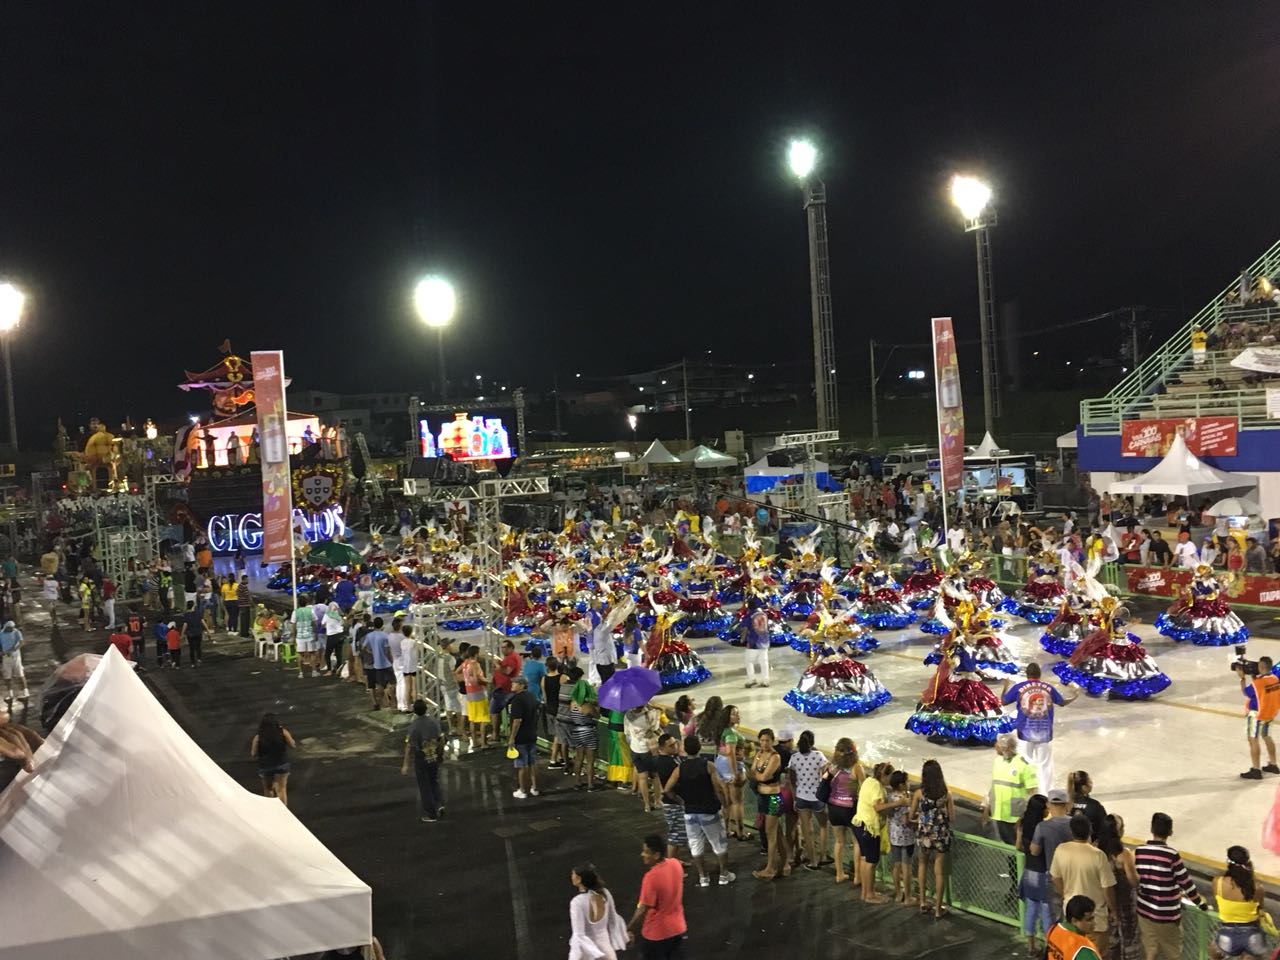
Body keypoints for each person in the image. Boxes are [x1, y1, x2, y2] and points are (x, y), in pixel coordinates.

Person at [1133, 812, 1207, 960]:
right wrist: (1199, 903)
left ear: (1151, 829)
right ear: (1170, 832)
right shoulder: (1171, 855)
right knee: (1173, 953)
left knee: (1150, 949)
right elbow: (1186, 883)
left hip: (1144, 910)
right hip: (1166, 914)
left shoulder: (1139, 851)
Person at [663, 733, 735, 887]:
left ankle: (703, 877)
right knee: (719, 843)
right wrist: (725, 804)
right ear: (699, 748)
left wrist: (680, 800)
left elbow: (667, 789)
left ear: (685, 749)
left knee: (695, 845)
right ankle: (723, 875)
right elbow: (719, 788)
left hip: (690, 812)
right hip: (709, 810)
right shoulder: (707, 765)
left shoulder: (679, 768)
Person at [1001, 661, 1078, 793]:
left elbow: (1003, 701)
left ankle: (1025, 791)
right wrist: (1075, 695)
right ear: (1040, 674)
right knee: (1045, 765)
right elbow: (1062, 702)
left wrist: (1005, 686)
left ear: (1027, 675)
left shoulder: (1019, 687)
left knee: (1025, 762)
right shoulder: (1048, 687)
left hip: (1024, 732)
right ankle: (1045, 793)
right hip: (1044, 732)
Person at [1051, 814, 1117, 940]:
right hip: (1095, 918)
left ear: (1071, 831)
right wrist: (1113, 910)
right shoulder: (1098, 855)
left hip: (1072, 915)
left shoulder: (1061, 849)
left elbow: (1055, 878)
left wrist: (1065, 894)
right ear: (1089, 831)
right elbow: (1107, 888)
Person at [627, 835, 687, 959]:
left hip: (657, 933)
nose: (642, 854)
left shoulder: (651, 877)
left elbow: (643, 908)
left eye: (646, 852)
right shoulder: (675, 864)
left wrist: (629, 928)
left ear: (656, 855)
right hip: (678, 928)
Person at [911, 758, 954, 916]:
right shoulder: (946, 794)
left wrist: (921, 818)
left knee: (922, 865)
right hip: (941, 835)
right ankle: (938, 908)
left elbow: (911, 815)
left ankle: (922, 902)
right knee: (939, 872)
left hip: (924, 835)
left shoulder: (918, 794)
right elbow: (952, 817)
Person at [1208, 846, 1266, 960]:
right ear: (1248, 863)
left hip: (1227, 934)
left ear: (1228, 862)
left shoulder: (1218, 883)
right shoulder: (1257, 887)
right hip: (1252, 935)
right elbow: (1261, 907)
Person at [981, 732, 1039, 845]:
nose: (995, 746)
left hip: (1015, 818)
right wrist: (986, 807)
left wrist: (1024, 818)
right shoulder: (998, 761)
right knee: (1006, 847)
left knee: (1017, 847)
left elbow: (1032, 794)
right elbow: (993, 785)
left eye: (997, 744)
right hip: (999, 813)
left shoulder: (1025, 765)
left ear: (1005, 748)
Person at [749, 728, 790, 881]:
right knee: (777, 833)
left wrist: (758, 775)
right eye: (762, 740)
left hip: (773, 798)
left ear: (772, 741)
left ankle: (770, 868)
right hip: (762, 797)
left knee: (770, 834)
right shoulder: (759, 754)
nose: (764, 743)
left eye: (767, 740)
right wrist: (758, 775)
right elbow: (752, 773)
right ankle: (785, 863)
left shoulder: (775, 757)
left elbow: (764, 776)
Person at [1097, 815, 1140, 960]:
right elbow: (1134, 881)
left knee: (1109, 942)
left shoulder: (1097, 850)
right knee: (1128, 939)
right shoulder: (1124, 854)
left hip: (1103, 903)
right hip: (1125, 903)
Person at [823, 736, 864, 885]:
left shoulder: (831, 767)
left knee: (839, 842)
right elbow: (864, 789)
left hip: (833, 807)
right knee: (857, 842)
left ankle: (839, 874)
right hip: (850, 808)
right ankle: (857, 877)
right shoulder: (856, 768)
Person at [1031, 788, 1076, 918]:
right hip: (1074, 875)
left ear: (1048, 805)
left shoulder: (1042, 826)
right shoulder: (1076, 823)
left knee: (1056, 915)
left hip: (1054, 876)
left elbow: (1034, 851)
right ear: (1066, 804)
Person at [1016, 794, 1053, 956]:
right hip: (1043, 873)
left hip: (1029, 872)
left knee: (1031, 909)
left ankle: (1030, 946)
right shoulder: (1043, 828)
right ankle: (1049, 946)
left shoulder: (1021, 824)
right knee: (1046, 911)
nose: (1048, 810)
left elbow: (1018, 846)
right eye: (1046, 807)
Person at [568, 863, 629, 960]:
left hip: (590, 954)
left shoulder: (577, 902)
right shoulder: (605, 893)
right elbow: (614, 920)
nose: (571, 876)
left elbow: (579, 935)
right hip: (607, 952)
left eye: (573, 874)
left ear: (579, 879)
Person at [788, 730, 829, 871]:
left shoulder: (794, 758)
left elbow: (791, 781)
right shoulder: (819, 756)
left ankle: (812, 862)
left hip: (801, 797)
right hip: (817, 797)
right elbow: (826, 774)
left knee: (807, 831)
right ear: (812, 742)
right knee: (823, 826)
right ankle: (823, 856)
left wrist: (794, 798)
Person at [1237, 655, 1280, 780]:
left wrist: (1242, 678)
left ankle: (1256, 770)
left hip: (1257, 715)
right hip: (1270, 714)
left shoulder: (1258, 683)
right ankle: (1273, 765)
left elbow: (1246, 692)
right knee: (1267, 737)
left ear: (1261, 667)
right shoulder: (1275, 679)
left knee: (1253, 740)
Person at [401, 699, 444, 822]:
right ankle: (439, 803)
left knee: (424, 786)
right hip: (434, 756)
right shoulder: (434, 722)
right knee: (433, 781)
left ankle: (431, 814)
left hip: (422, 758)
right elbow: (440, 739)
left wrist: (405, 765)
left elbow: (409, 746)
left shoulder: (414, 726)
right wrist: (441, 755)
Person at [507, 675, 541, 799]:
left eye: (515, 683)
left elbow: (517, 720)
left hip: (521, 737)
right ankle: (535, 788)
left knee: (522, 765)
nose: (512, 685)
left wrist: (512, 738)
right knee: (533, 763)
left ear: (521, 685)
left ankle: (523, 790)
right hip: (532, 734)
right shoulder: (532, 696)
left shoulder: (517, 700)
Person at [250, 712, 295, 807]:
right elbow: (292, 745)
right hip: (281, 764)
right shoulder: (283, 732)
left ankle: (271, 810)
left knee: (268, 789)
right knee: (281, 789)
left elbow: (253, 754)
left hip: (265, 766)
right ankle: (283, 812)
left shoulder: (258, 737)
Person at [886, 769, 916, 904]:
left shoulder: (891, 797)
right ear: (901, 785)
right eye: (907, 781)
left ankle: (898, 894)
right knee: (907, 867)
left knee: (896, 866)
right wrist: (918, 821)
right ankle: (908, 897)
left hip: (893, 834)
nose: (909, 783)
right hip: (906, 837)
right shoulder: (903, 800)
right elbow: (906, 820)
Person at [1046, 895, 1104, 960]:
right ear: (1074, 921)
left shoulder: (1054, 929)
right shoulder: (1084, 950)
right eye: (1089, 920)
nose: (1094, 923)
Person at [490, 638, 524, 741]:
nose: (502, 650)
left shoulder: (512, 658)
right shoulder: (510, 657)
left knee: (494, 711)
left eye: (505, 648)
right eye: (502, 648)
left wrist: (497, 666)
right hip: (504, 689)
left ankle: (496, 734)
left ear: (511, 648)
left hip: (504, 690)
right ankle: (502, 734)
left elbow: (508, 671)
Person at [459, 644, 491, 750]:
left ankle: (474, 742)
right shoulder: (475, 664)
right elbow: (478, 678)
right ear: (476, 653)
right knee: (484, 718)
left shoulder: (465, 663)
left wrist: (466, 681)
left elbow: (456, 673)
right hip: (479, 693)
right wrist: (489, 681)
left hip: (469, 693)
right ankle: (483, 743)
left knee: (472, 718)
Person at [361, 617, 395, 710]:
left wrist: (371, 652)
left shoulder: (369, 636)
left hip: (376, 665)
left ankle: (380, 702)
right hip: (386, 664)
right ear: (382, 625)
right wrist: (392, 661)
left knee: (379, 685)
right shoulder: (385, 636)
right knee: (392, 683)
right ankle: (392, 703)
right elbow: (388, 651)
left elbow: (363, 647)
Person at [1067, 771, 1107, 840]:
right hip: (1090, 845)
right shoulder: (1095, 805)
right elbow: (1105, 827)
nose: (1092, 783)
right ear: (1084, 787)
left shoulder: (1065, 804)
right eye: (1090, 782)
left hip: (1070, 844)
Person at [742, 602, 772, 688]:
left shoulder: (749, 616)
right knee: (764, 662)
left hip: (753, 642)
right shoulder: (764, 614)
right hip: (765, 641)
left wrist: (742, 639)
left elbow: (745, 629)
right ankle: (765, 680)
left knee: (749, 661)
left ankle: (752, 680)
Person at [0, 620, 27, 701]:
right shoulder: (1, 634)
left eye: (13, 628)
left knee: (20, 673)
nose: (12, 629)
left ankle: (25, 692)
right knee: (7, 675)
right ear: (6, 627)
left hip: (16, 656)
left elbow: (22, 642)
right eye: (10, 628)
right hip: (6, 656)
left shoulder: (16, 632)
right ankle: (10, 694)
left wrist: (14, 649)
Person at [179, 600, 205, 668]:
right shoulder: (198, 613)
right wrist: (207, 631)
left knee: (191, 648)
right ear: (193, 606)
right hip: (198, 632)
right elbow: (203, 622)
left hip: (190, 634)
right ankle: (199, 659)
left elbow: (185, 625)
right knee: (198, 647)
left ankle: (193, 663)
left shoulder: (186, 615)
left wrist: (182, 634)